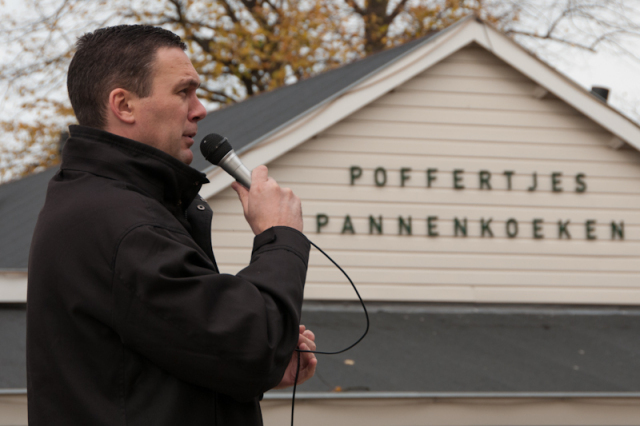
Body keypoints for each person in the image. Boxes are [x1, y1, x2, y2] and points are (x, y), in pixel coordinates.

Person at [27, 24, 317, 425]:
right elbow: (254, 342)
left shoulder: (100, 205)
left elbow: (153, 369)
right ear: (123, 105)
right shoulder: (124, 226)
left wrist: (252, 370)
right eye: (184, 92)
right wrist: (280, 237)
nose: (199, 109)